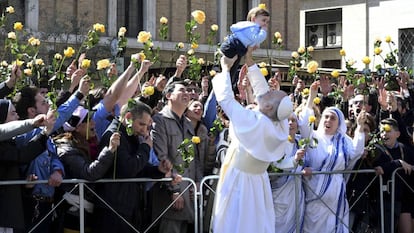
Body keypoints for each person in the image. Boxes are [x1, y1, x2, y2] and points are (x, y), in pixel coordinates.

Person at [211, 49, 293, 233]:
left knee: (235, 223)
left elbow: (226, 100)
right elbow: (262, 92)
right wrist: (249, 62)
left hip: (240, 180)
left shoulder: (256, 122)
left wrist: (225, 69)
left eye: (272, 94)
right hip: (258, 182)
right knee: (257, 224)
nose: (268, 92)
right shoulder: (279, 124)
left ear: (269, 106)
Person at [94, 100, 175, 233]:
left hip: (128, 205)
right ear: (128, 117)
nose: (144, 130)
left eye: (147, 126)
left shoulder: (131, 135)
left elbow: (139, 168)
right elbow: (129, 168)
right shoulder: (114, 135)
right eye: (141, 124)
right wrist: (145, 147)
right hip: (112, 207)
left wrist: (158, 170)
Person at [300, 81, 366, 233]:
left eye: (332, 118)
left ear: (339, 124)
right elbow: (304, 124)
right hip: (313, 194)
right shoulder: (312, 137)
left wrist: (360, 126)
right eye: (326, 117)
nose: (328, 121)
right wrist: (311, 97)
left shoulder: (343, 141)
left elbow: (356, 151)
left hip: (335, 197)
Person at [53, 106, 121, 232]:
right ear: (78, 127)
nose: (94, 123)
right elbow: (89, 173)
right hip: (73, 211)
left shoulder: (89, 143)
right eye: (89, 120)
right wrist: (110, 150)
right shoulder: (66, 148)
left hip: (88, 209)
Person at [151, 80, 202, 233]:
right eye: (182, 90)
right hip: (171, 196)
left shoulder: (187, 123)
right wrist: (174, 190)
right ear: (169, 95)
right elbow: (162, 158)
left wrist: (198, 182)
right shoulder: (160, 120)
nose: (187, 94)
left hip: (188, 193)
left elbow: (192, 158)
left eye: (188, 91)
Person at [0, 99, 55, 233]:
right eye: (13, 113)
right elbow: (21, 156)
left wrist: (26, 184)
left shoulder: (8, 142)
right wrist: (42, 132)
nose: (17, 116)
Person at [371, 118, 414, 233]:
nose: (384, 134)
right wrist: (398, 163)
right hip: (384, 200)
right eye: (382, 131)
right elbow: (378, 168)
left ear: (397, 134)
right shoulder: (375, 149)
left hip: (404, 199)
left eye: (388, 130)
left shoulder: (405, 149)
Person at [220, 4, 269, 89]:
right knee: (227, 72)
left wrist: (254, 45)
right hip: (233, 47)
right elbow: (256, 38)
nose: (265, 24)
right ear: (253, 19)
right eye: (263, 20)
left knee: (231, 73)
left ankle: (227, 86)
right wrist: (264, 32)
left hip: (237, 48)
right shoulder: (251, 27)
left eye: (267, 22)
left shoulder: (252, 28)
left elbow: (251, 41)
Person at [270, 113, 305, 233]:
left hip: (295, 193)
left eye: (294, 120)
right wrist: (293, 160)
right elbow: (275, 164)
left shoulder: (301, 142)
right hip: (279, 192)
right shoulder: (275, 142)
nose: (291, 123)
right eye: (287, 120)